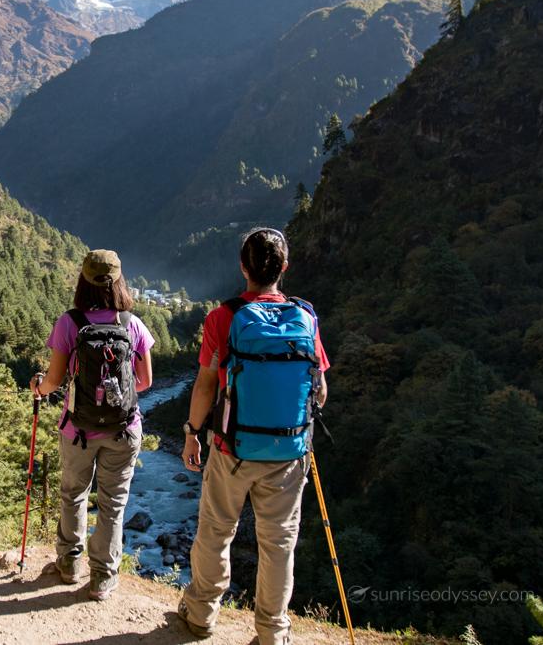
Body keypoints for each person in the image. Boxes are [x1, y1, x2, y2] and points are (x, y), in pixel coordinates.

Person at [177, 228, 329, 644]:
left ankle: (202, 615)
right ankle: (272, 632)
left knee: (215, 532)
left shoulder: (222, 318)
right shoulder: (306, 317)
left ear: (243, 267)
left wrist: (192, 433)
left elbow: (207, 384)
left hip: (231, 449)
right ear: (284, 268)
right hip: (289, 452)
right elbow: (320, 388)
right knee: (279, 543)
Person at [30, 249, 154, 601]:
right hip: (124, 428)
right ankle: (102, 577)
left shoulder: (70, 322)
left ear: (83, 279)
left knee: (74, 495)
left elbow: (53, 381)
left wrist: (39, 388)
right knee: (113, 502)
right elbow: (145, 381)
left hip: (78, 430)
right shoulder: (132, 323)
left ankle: (69, 565)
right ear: (118, 281)